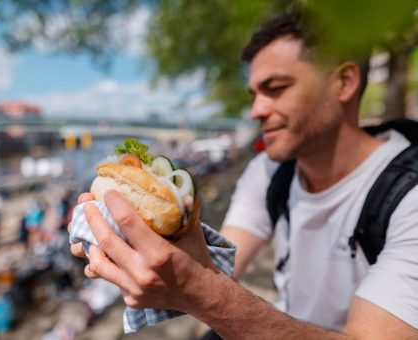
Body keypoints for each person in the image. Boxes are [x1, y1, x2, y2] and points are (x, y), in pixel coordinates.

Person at [70, 11, 418, 339]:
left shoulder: (409, 197)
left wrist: (200, 293)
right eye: (254, 94)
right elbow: (222, 260)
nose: (256, 111)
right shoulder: (270, 171)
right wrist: (150, 248)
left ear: (343, 83)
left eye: (276, 88)